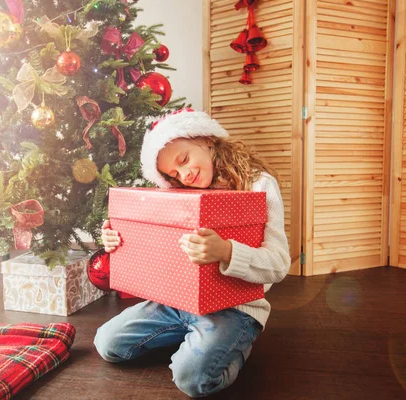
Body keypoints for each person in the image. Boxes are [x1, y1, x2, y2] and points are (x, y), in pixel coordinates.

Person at [93, 109, 290, 398]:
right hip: (176, 301)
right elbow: (154, 244)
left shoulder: (258, 184)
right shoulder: (177, 195)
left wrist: (225, 251)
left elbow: (279, 264)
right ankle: (195, 338)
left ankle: (235, 344)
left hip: (235, 309)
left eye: (184, 160)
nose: (185, 175)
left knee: (193, 380)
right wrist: (116, 237)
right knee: (107, 344)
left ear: (206, 140)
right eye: (174, 174)